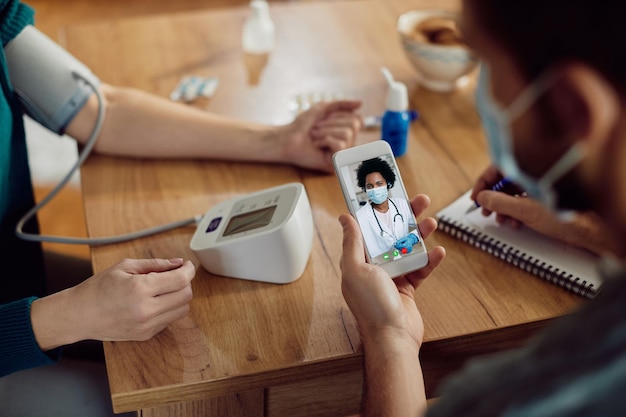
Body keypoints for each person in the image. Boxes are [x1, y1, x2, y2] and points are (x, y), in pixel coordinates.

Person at [0, 0, 361, 415]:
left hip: (16, 281)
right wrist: (65, 317)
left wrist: (279, 141)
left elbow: (101, 110)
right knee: (188, 397)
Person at [339, 0, 626, 415]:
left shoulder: (544, 392)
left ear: (572, 107)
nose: (484, 93)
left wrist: (388, 333)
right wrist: (591, 229)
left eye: (483, 62)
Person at [354, 157, 419, 258]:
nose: (375, 189)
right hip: (381, 265)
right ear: (365, 189)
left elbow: (420, 227)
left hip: (406, 258)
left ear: (388, 183)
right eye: (370, 186)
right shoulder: (359, 217)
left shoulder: (402, 204)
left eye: (379, 184)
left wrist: (413, 237)